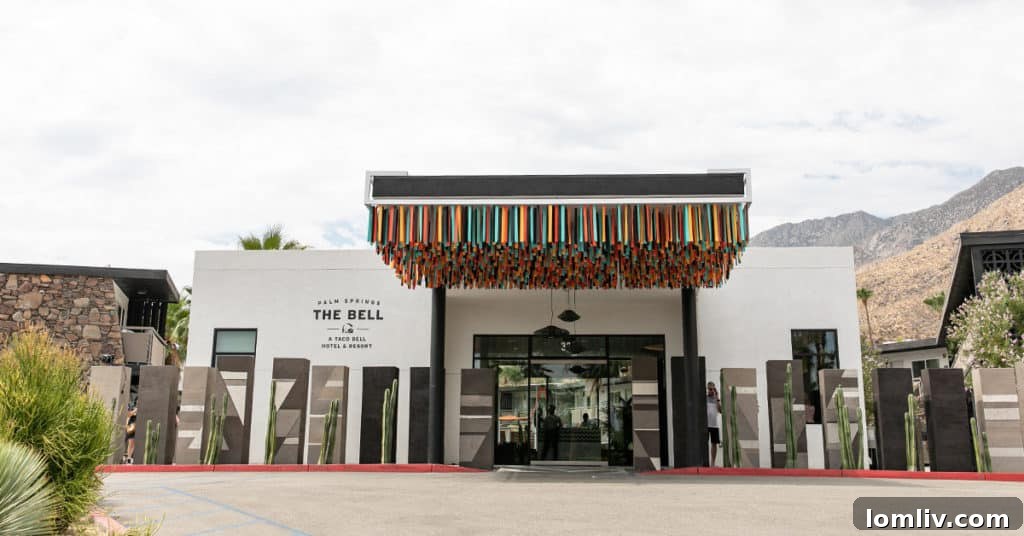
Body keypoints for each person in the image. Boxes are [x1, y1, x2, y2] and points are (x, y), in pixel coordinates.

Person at [707, 381, 722, 466]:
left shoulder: (716, 399)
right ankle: (705, 462)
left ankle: (713, 463)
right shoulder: (705, 398)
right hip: (705, 425)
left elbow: (720, 410)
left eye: (712, 389)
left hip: (714, 425)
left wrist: (717, 398)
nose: (711, 390)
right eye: (709, 389)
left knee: (714, 444)